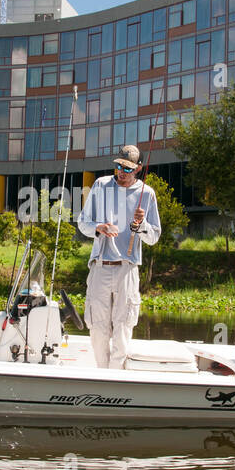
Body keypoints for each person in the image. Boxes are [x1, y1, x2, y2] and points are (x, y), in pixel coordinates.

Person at [75, 144, 161, 368]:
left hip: (128, 269)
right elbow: (83, 223)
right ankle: (102, 373)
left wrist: (140, 225)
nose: (122, 172)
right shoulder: (100, 185)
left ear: (139, 169)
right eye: (119, 166)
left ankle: (116, 375)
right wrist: (98, 228)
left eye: (128, 169)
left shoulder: (147, 194)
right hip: (100, 266)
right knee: (98, 326)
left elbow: (153, 238)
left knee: (123, 325)